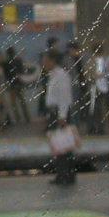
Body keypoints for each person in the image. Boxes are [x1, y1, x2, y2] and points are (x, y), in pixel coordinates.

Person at [43, 52, 76, 184]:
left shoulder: (61, 75)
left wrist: (62, 116)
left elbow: (64, 97)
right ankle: (63, 174)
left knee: (63, 145)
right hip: (54, 112)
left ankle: (65, 175)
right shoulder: (53, 75)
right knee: (59, 145)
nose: (44, 64)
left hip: (60, 114)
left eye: (46, 61)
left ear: (52, 61)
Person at [3, 47, 29, 124]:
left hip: (12, 85)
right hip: (19, 83)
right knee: (23, 102)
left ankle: (18, 119)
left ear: (7, 54)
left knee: (14, 104)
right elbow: (22, 71)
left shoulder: (6, 62)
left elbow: (6, 74)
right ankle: (27, 118)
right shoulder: (18, 60)